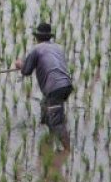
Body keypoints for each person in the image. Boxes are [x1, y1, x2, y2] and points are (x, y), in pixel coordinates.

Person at [14, 22, 74, 150]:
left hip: (54, 88)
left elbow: (26, 71)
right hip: (66, 85)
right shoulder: (58, 48)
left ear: (37, 37)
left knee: (57, 121)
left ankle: (68, 151)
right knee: (45, 106)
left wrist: (20, 64)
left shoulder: (36, 49)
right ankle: (48, 140)